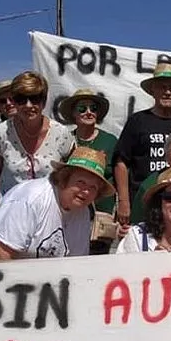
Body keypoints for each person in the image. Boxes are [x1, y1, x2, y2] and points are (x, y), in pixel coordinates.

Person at [0, 147, 114, 263]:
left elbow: (75, 263)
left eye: (93, 188)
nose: (85, 192)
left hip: (24, 262)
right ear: (64, 179)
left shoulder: (83, 213)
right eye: (80, 183)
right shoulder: (33, 198)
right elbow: (1, 256)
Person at [113, 63, 171, 228]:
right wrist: (124, 201)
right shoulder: (137, 121)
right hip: (142, 203)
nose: (167, 92)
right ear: (152, 90)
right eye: (162, 87)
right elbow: (121, 162)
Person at [0, 71, 75, 195]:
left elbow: (70, 174)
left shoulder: (61, 134)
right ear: (15, 102)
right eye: (21, 100)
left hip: (50, 208)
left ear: (44, 101)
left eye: (35, 99)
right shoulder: (1, 133)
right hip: (12, 208)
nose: (29, 105)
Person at [59, 89, 119, 251]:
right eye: (82, 109)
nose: (88, 112)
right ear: (73, 113)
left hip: (102, 214)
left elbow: (119, 175)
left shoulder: (110, 141)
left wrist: (123, 208)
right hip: (72, 213)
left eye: (93, 108)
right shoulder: (66, 140)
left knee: (99, 259)